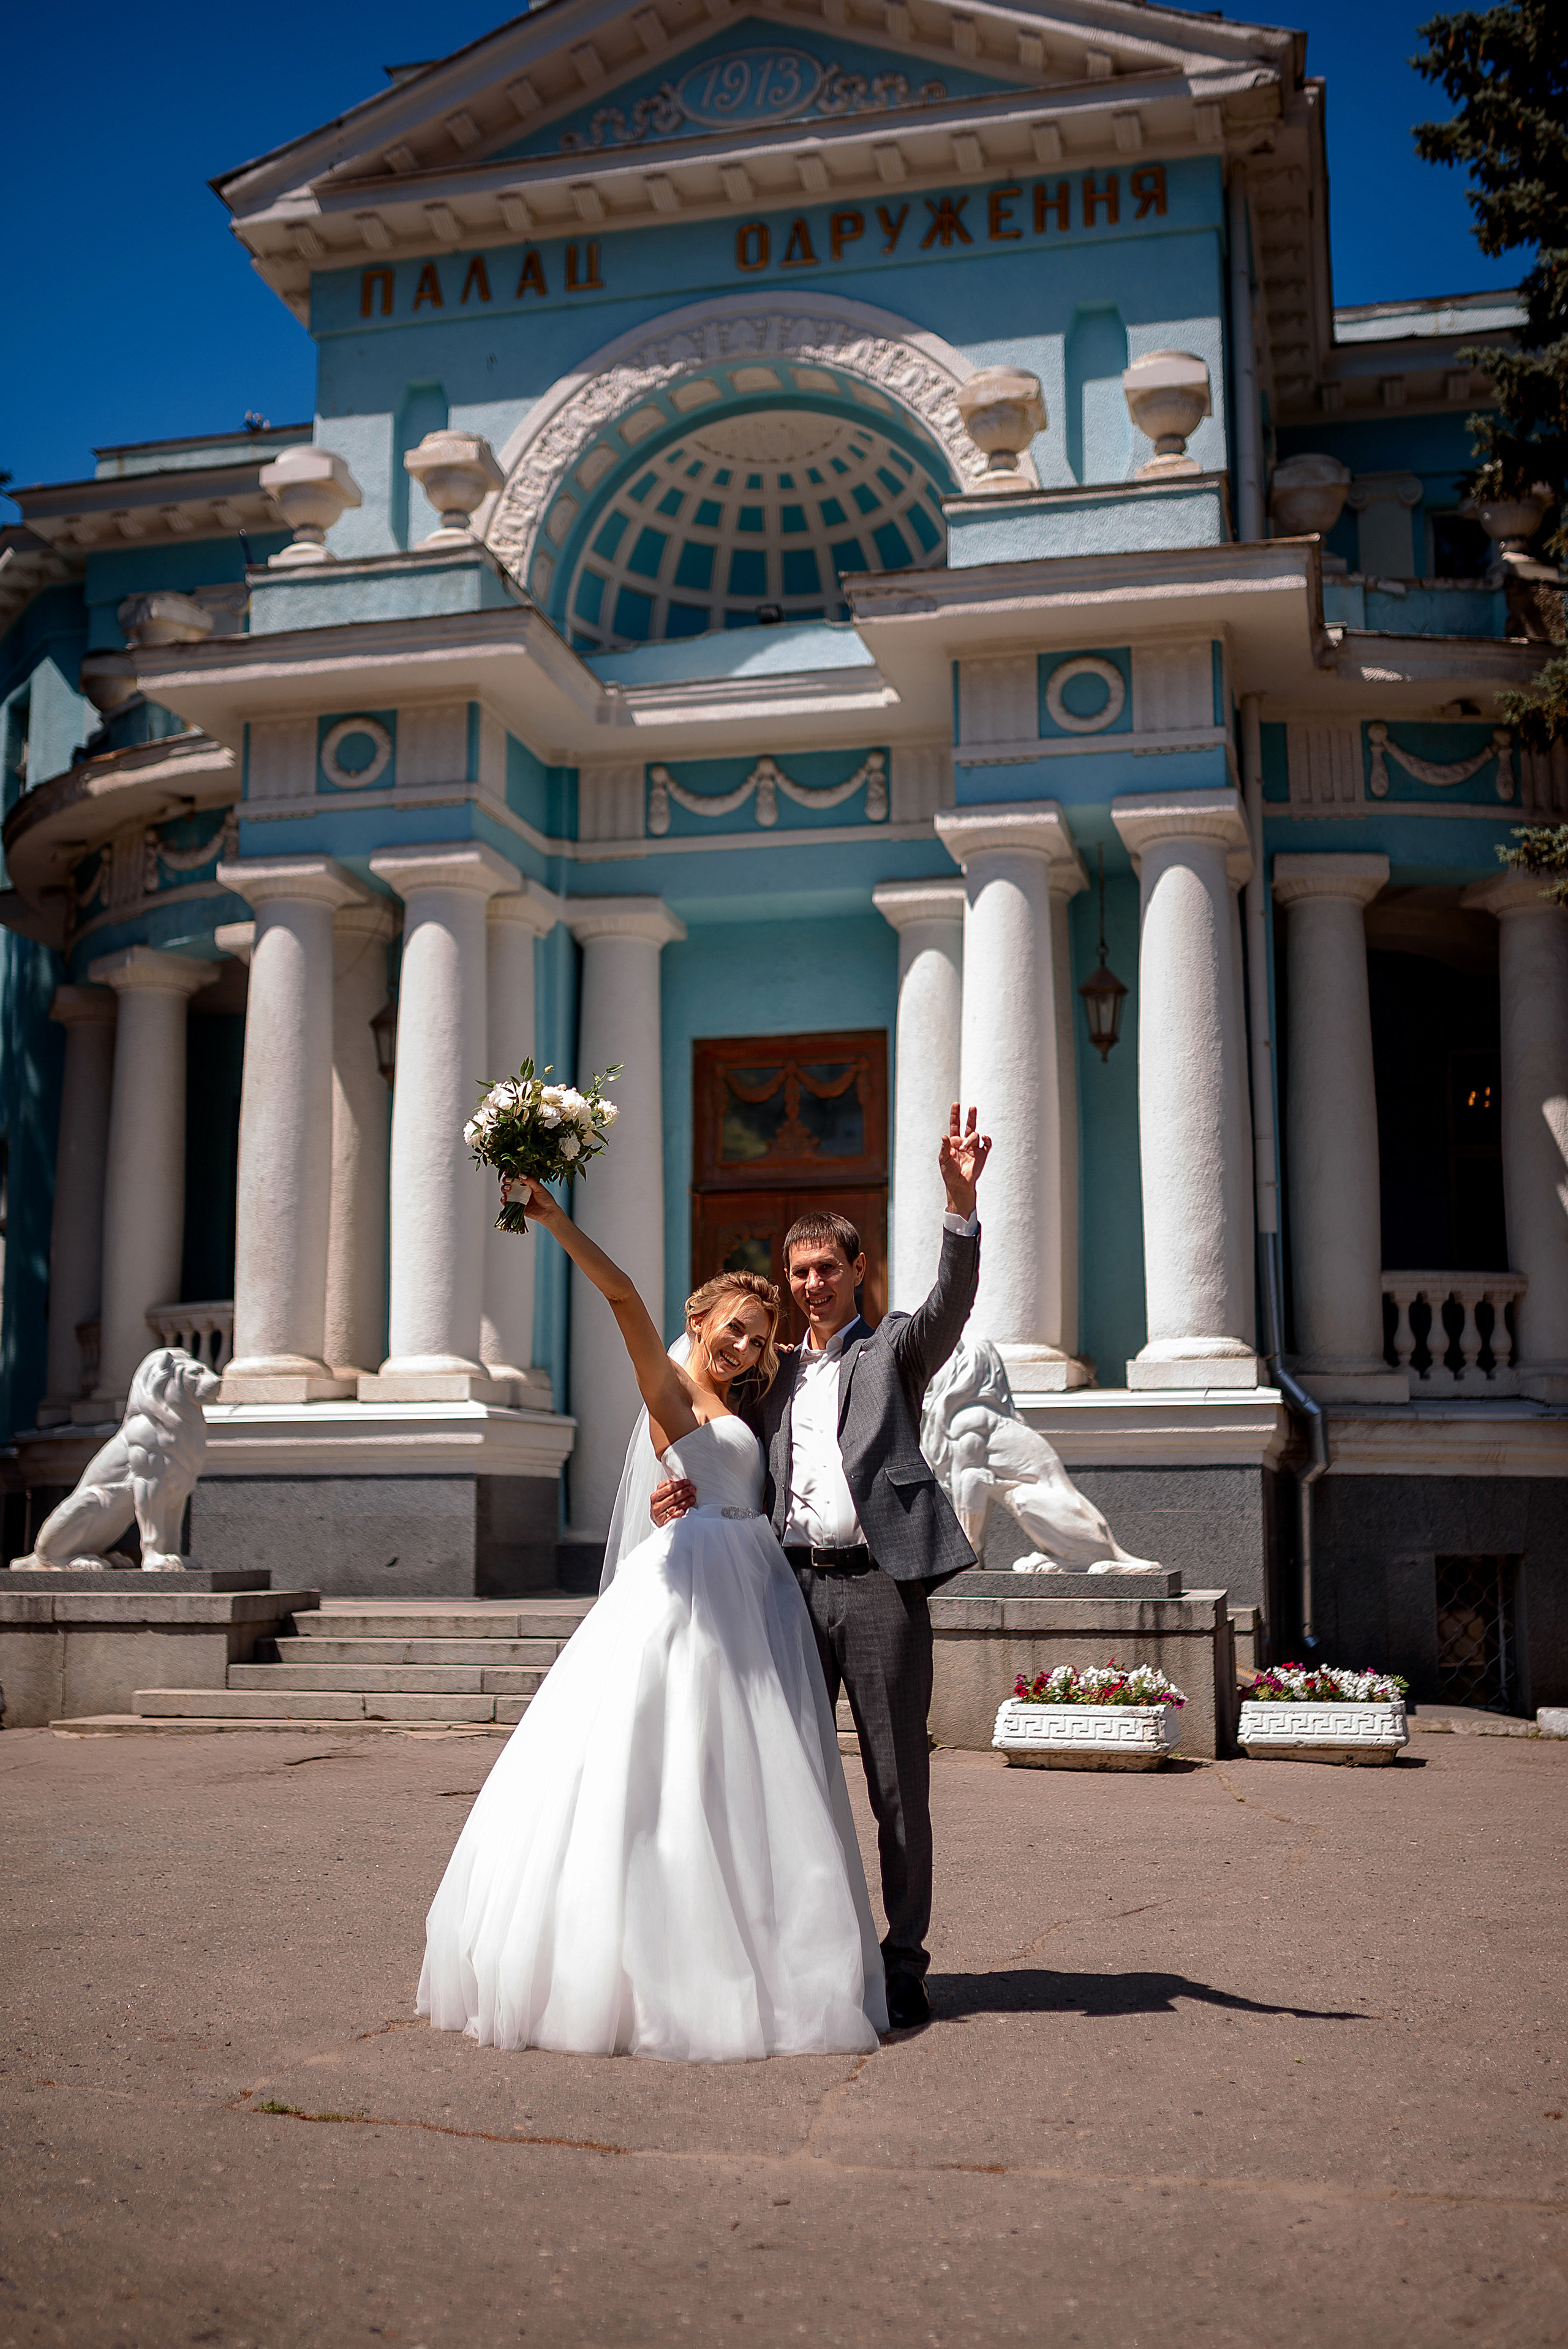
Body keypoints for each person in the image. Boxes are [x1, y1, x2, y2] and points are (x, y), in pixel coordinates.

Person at [417, 1191, 888, 2061]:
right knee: (667, 1765)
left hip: (757, 1585)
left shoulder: (751, 1404)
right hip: (695, 1586)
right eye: (734, 1327)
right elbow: (624, 1295)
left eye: (759, 1336)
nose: (745, 1346)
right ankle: (654, 1967)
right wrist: (553, 1218)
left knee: (746, 1775)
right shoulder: (668, 1388)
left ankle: (762, 1944)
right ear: (698, 1321)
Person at [652, 1102, 990, 2030]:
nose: (811, 1285)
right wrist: (672, 1495)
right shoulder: (766, 1377)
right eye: (799, 1271)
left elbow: (952, 1301)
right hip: (786, 1589)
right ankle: (797, 1955)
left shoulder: (894, 1351)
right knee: (785, 1775)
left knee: (897, 1787)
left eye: (827, 1269)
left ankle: (904, 1960)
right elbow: (709, 1444)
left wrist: (960, 1204)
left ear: (857, 1271)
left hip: (878, 1587)